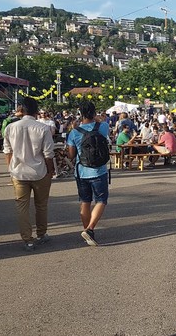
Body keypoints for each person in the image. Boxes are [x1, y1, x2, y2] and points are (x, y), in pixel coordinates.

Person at [3, 97, 55, 251]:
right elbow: (48, 154)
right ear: (36, 111)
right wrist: (50, 171)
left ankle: (27, 239)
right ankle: (41, 233)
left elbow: (7, 151)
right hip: (39, 171)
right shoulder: (42, 128)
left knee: (22, 207)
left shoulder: (10, 128)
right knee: (41, 205)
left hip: (18, 172)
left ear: (21, 110)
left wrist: (10, 169)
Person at [67, 101, 110, 246]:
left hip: (81, 172)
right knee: (101, 200)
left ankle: (88, 230)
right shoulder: (103, 127)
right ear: (94, 112)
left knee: (85, 201)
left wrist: (75, 128)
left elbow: (71, 155)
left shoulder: (74, 132)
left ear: (80, 114)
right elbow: (102, 123)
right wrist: (97, 118)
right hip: (99, 171)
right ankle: (90, 229)